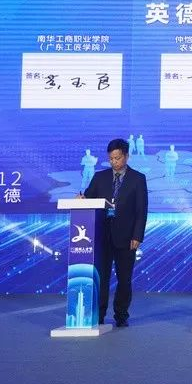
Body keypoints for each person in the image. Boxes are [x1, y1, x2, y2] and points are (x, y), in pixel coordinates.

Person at [81, 138, 148, 327]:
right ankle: (99, 314)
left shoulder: (138, 179)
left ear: (126, 156)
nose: (114, 162)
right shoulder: (99, 177)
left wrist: (137, 235)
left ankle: (121, 315)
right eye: (111, 158)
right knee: (101, 277)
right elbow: (88, 199)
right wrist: (81, 199)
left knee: (124, 279)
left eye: (117, 158)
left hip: (127, 237)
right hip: (101, 236)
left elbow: (141, 210)